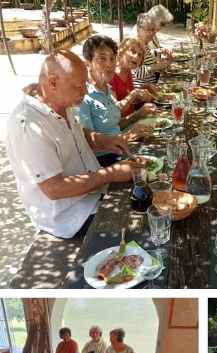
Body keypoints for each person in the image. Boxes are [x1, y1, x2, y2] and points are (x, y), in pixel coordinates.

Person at [6, 50, 141, 239]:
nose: (84, 92)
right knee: (139, 224)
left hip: (91, 193)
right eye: (78, 86)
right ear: (52, 82)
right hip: (70, 216)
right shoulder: (28, 124)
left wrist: (104, 140)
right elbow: (54, 189)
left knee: (145, 194)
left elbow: (76, 134)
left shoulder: (60, 103)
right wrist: (110, 174)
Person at [79, 35, 155, 166]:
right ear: (88, 63)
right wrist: (128, 136)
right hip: (106, 162)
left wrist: (135, 121)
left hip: (122, 150)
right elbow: (86, 147)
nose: (109, 64)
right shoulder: (84, 97)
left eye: (112, 58)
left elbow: (114, 125)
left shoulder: (106, 88)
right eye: (102, 58)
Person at [110, 38, 155, 117]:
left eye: (140, 55)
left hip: (131, 119)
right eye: (133, 51)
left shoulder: (128, 72)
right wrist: (134, 94)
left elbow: (128, 99)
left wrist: (145, 88)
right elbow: (115, 111)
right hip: (123, 125)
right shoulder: (110, 76)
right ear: (121, 52)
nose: (136, 56)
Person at [132, 13, 171, 88]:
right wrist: (158, 66)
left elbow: (148, 57)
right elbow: (137, 73)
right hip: (141, 93)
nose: (151, 33)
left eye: (153, 30)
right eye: (147, 29)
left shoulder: (144, 45)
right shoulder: (135, 46)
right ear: (138, 29)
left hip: (151, 88)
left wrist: (162, 54)